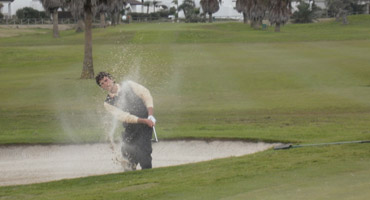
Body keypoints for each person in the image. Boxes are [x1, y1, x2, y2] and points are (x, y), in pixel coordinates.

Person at [95, 72, 156, 170]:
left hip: (145, 124)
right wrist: (144, 120)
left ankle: (148, 176)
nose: (105, 84)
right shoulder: (107, 103)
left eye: (106, 80)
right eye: (102, 84)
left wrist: (150, 115)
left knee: (144, 152)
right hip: (131, 127)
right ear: (102, 87)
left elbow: (146, 94)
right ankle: (130, 178)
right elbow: (124, 117)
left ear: (112, 79)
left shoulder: (129, 85)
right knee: (127, 154)